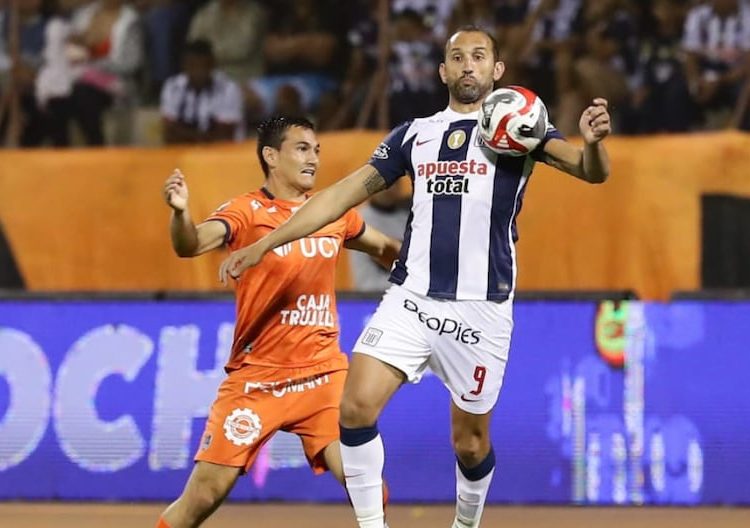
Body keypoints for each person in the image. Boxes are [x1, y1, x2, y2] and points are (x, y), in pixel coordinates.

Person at [219, 26, 611, 528]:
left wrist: (595, 143)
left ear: (497, 70)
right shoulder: (414, 135)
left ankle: (465, 525)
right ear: (443, 71)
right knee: (355, 408)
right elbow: (341, 194)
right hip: (412, 297)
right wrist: (265, 242)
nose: (468, 65)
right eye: (457, 57)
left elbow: (591, 171)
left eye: (479, 56)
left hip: (481, 308)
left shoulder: (520, 125)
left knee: (470, 445)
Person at [156, 116, 400, 528]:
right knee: (203, 496)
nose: (313, 159)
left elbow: (385, 248)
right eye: (302, 148)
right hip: (257, 379)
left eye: (317, 150)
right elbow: (191, 244)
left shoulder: (333, 211)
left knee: (367, 484)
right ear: (271, 156)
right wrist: (180, 215)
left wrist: (424, 264)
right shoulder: (246, 212)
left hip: (321, 376)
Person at [160, 39, 243, 144]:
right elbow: (169, 133)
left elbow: (225, 136)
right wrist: (201, 137)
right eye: (192, 66)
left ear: (212, 64)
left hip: (220, 155)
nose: (198, 72)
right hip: (184, 153)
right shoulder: (172, 87)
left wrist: (185, 134)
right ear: (184, 65)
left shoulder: (228, 89)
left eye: (204, 66)